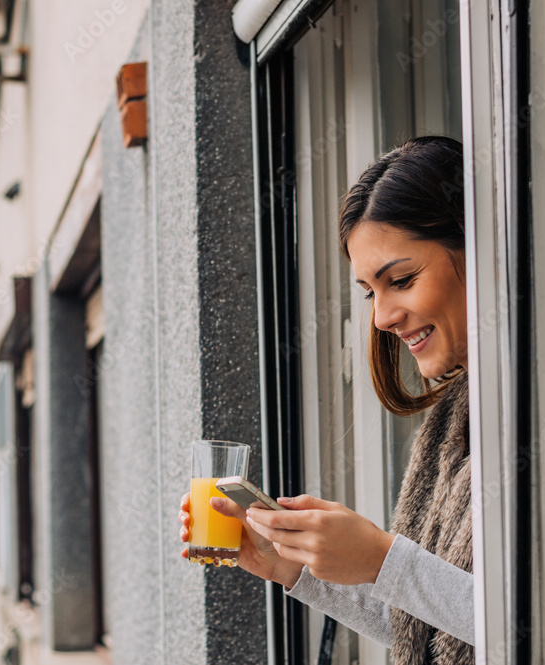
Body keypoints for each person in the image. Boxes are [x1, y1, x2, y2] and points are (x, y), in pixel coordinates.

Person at [178, 136, 475, 665]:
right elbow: (436, 633)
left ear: (479, 248)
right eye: (370, 292)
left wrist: (384, 560)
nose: (382, 317)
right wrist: (291, 566)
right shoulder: (458, 420)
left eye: (401, 280)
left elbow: (530, 625)